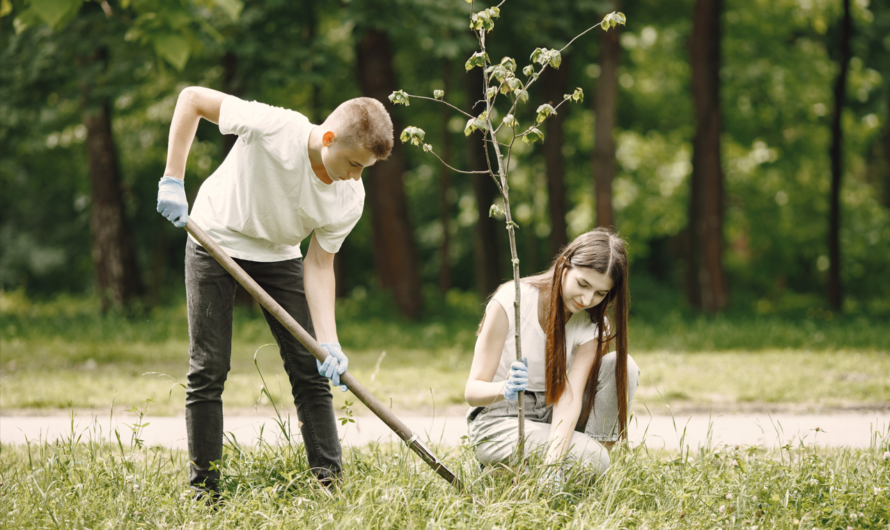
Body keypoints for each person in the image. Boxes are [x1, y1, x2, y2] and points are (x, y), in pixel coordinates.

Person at [155, 86, 393, 497]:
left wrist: (329, 341)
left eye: (364, 168)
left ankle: (329, 487)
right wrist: (173, 179)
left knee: (310, 371)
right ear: (329, 139)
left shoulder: (350, 195)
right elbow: (191, 99)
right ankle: (204, 494)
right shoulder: (274, 127)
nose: (357, 175)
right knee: (208, 369)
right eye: (354, 163)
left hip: (280, 254)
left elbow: (318, 265)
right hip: (215, 237)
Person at [464, 228, 640, 481]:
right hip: (500, 418)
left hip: (553, 413)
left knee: (621, 366)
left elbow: (569, 396)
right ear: (564, 264)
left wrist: (553, 464)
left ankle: (571, 468)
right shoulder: (511, 300)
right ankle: (571, 467)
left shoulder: (594, 323)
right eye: (583, 284)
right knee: (591, 460)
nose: (587, 299)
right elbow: (472, 392)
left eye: (601, 293)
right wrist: (505, 388)